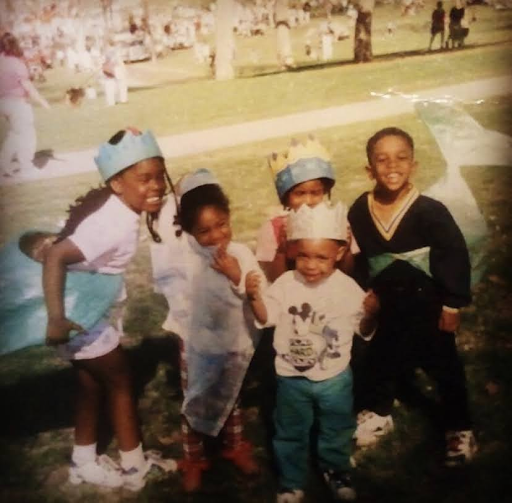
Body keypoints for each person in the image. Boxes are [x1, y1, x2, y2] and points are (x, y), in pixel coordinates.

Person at [42, 128, 177, 489]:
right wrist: (56, 318)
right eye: (143, 178)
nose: (156, 185)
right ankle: (134, 468)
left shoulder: (119, 210)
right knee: (120, 381)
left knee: (90, 384)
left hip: (89, 311)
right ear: (117, 184)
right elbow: (56, 256)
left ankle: (83, 461)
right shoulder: (112, 223)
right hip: (79, 315)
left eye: (159, 176)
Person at [348, 127, 477, 466]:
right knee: (381, 360)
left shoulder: (429, 210)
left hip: (428, 302)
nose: (392, 165)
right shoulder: (360, 210)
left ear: (414, 165)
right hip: (388, 304)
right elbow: (361, 258)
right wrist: (367, 291)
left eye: (401, 158)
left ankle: (459, 427)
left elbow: (454, 253)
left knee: (443, 365)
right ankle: (378, 413)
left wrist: (452, 303)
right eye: (382, 159)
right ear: (369, 169)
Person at [246, 201, 379, 503]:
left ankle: (337, 470)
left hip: (334, 378)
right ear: (293, 251)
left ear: (340, 253)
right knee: (290, 431)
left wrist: (371, 313)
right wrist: (255, 297)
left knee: (336, 428)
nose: (311, 265)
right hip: (292, 378)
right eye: (303, 255)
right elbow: (267, 318)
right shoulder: (285, 283)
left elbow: (364, 330)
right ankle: (291, 481)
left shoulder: (346, 288)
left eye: (321, 257)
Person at [167, 169, 263, 492]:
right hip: (195, 344)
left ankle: (233, 445)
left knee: (230, 393)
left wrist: (236, 276)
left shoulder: (241, 254)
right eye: (204, 230)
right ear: (189, 231)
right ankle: (194, 459)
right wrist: (175, 192)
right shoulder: (186, 256)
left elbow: (254, 293)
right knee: (195, 398)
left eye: (222, 224)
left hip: (230, 342)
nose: (216, 236)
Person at [256, 137, 337, 282]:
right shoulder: (273, 229)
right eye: (299, 194)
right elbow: (274, 279)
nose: (308, 201)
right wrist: (281, 249)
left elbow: (349, 272)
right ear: (286, 197)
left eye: (315, 193)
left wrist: (347, 247)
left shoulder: (335, 222)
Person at [0, 32, 50, 177]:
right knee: (27, 134)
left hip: (3, 103)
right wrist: (42, 101)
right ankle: (26, 168)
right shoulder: (16, 63)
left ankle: (3, 163)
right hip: (17, 103)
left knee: (15, 134)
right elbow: (27, 86)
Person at [102, 39, 128, 107]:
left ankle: (112, 101)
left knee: (112, 85)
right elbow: (119, 61)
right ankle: (123, 99)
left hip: (111, 68)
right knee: (121, 84)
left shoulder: (107, 51)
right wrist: (124, 69)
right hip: (116, 68)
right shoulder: (116, 50)